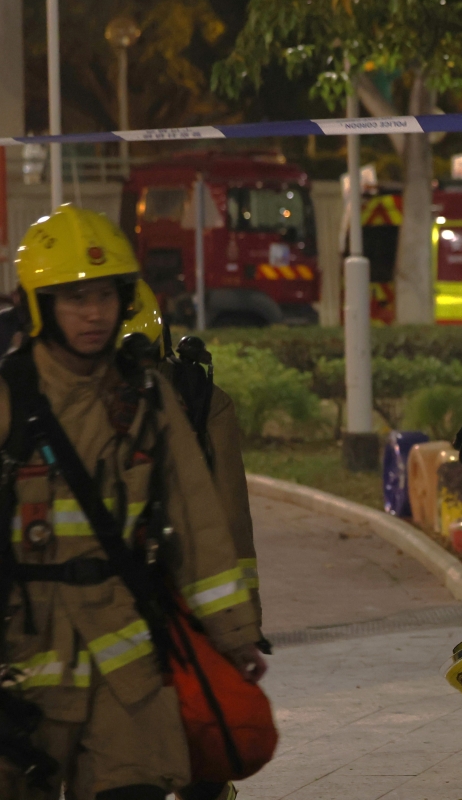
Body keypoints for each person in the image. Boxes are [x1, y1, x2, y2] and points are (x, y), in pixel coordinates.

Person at [0, 205, 264, 799]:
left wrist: (233, 635)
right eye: (75, 298)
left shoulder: (149, 401)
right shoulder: (9, 399)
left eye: (105, 295)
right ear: (37, 305)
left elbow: (201, 525)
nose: (94, 313)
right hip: (26, 666)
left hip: (129, 670)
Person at [120, 281, 265, 800]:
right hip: (115, 612)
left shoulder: (201, 405)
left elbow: (228, 521)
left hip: (180, 605)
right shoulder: (45, 402)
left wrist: (240, 623)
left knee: (195, 750)